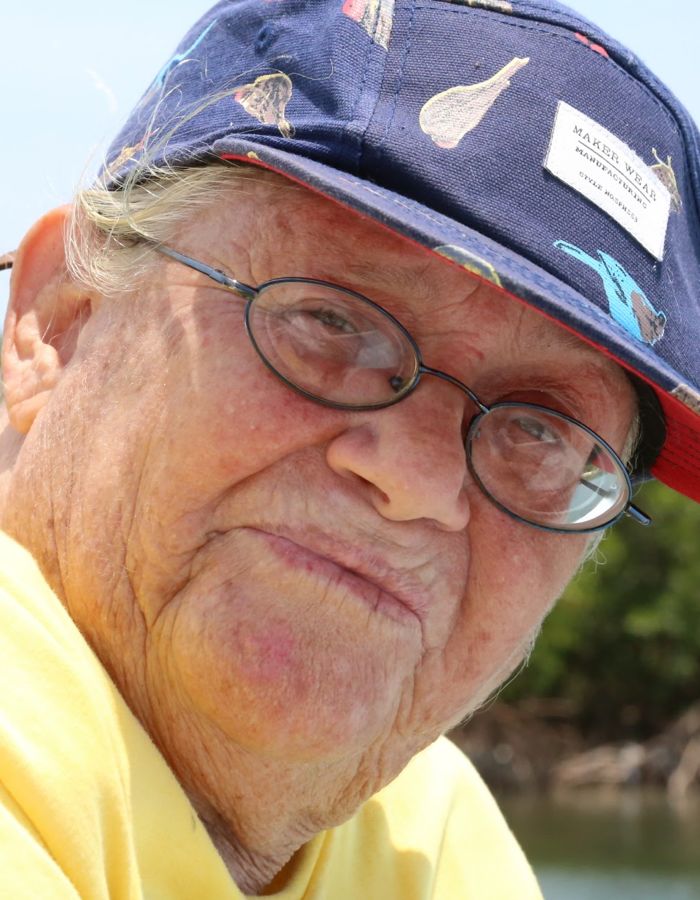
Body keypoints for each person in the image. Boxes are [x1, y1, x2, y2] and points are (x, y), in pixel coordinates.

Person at [0, 0, 698, 896]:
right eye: (329, 321)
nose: (414, 479)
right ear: (59, 319)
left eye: (541, 429)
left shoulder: (429, 829)